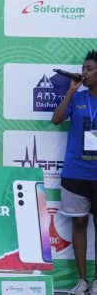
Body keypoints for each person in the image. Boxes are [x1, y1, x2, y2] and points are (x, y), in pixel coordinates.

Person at [51, 50, 97, 295]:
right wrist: (70, 91)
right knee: (79, 223)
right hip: (76, 171)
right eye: (83, 68)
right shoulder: (77, 97)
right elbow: (56, 119)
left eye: (90, 68)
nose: (84, 72)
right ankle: (82, 280)